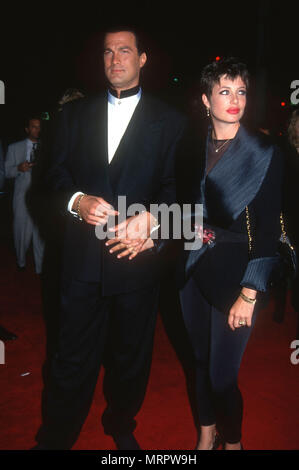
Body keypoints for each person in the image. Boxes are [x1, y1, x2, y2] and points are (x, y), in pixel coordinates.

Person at [33, 28, 185, 450]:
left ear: (142, 59)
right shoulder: (71, 116)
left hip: (137, 263)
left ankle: (121, 422)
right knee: (68, 359)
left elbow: (181, 190)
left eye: (124, 50)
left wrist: (154, 221)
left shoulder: (172, 122)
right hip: (80, 264)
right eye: (107, 52)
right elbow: (49, 181)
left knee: (130, 359)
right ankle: (55, 437)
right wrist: (77, 201)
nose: (114, 58)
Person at [177, 57, 283, 450]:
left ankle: (234, 442)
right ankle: (207, 435)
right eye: (224, 91)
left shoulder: (264, 151)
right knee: (200, 364)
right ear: (206, 100)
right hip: (192, 266)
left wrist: (250, 292)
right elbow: (180, 207)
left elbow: (270, 227)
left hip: (237, 273)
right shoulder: (190, 146)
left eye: (240, 91)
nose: (234, 99)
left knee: (223, 376)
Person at [5, 117, 45, 274]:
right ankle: (21, 262)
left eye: (39, 127)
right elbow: (6, 172)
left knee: (41, 233)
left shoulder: (47, 147)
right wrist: (18, 168)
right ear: (27, 129)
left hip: (42, 195)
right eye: (34, 127)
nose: (37, 130)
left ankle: (40, 268)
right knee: (21, 229)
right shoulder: (14, 148)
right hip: (22, 195)